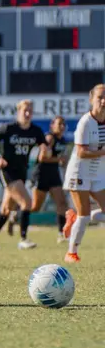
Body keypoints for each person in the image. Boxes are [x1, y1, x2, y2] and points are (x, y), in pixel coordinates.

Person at [0, 100, 46, 250]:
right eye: (24, 110)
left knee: (6, 209)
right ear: (18, 111)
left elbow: (44, 145)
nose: (27, 113)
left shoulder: (35, 131)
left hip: (22, 171)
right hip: (8, 171)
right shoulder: (9, 128)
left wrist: (45, 151)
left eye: (30, 111)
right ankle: (23, 239)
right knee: (27, 203)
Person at [60, 84, 105, 263]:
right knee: (84, 216)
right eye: (100, 97)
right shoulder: (86, 122)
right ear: (91, 99)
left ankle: (74, 217)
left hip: (98, 173)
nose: (103, 101)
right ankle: (71, 252)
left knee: (84, 215)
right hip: (79, 171)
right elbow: (81, 152)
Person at [30, 116, 70, 243]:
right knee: (35, 207)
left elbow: (61, 159)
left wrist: (63, 162)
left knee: (62, 203)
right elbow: (42, 158)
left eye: (63, 124)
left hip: (54, 175)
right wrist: (59, 160)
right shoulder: (49, 138)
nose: (62, 126)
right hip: (41, 175)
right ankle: (17, 215)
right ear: (52, 126)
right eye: (59, 124)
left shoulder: (62, 140)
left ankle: (61, 234)